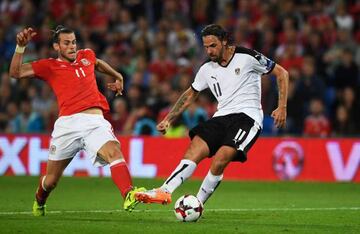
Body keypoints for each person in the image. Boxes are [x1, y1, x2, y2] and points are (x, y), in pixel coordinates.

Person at [135, 24, 289, 206]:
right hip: (221, 116)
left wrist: (282, 107)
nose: (209, 50)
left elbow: (282, 73)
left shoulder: (247, 57)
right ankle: (164, 191)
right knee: (194, 149)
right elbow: (190, 94)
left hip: (247, 117)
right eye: (206, 46)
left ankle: (197, 204)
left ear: (224, 41)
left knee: (220, 159)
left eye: (213, 46)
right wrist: (169, 119)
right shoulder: (206, 68)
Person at [9, 26, 145, 216]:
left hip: (95, 121)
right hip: (67, 125)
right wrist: (20, 48)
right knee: (51, 181)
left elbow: (97, 63)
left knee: (114, 151)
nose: (72, 46)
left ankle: (129, 194)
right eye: (66, 43)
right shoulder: (49, 66)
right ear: (56, 46)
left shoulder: (86, 55)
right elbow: (16, 73)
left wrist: (117, 75)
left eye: (73, 42)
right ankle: (40, 200)